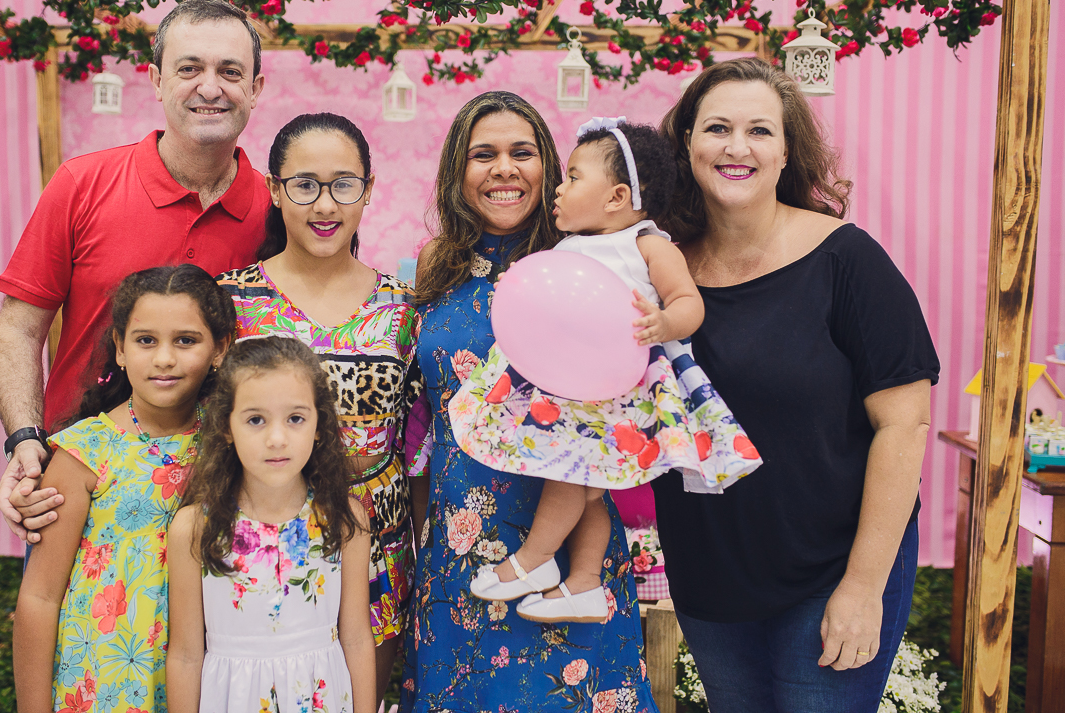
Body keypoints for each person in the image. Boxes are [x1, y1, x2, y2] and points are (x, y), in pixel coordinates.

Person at [650, 57, 939, 712]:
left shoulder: (847, 260)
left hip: (833, 570)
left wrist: (862, 586)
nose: (737, 147)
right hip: (711, 577)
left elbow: (905, 424)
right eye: (717, 128)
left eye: (759, 130)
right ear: (688, 144)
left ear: (786, 152)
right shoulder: (660, 270)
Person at [401, 91, 658, 713]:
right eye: (483, 154)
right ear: (457, 171)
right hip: (459, 542)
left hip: (567, 547)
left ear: (550, 165)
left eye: (522, 152)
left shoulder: (591, 257)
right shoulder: (435, 266)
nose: (504, 169)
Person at [448, 117, 762, 624]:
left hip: (616, 389)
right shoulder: (567, 246)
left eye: (573, 177)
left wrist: (664, 322)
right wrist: (520, 288)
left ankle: (534, 560)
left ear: (617, 197)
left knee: (568, 478)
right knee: (587, 489)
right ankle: (585, 584)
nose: (559, 188)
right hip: (569, 386)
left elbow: (689, 303)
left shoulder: (647, 244)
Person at [0, 0, 271, 544]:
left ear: (256, 88)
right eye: (189, 69)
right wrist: (26, 440)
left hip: (221, 494)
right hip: (78, 485)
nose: (210, 87)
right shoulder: (81, 184)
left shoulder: (275, 211)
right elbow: (18, 328)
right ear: (157, 80)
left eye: (230, 72)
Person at [214, 113, 423, 703]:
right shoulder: (231, 300)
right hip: (259, 540)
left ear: (368, 189)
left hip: (377, 541)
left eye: (343, 185)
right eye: (305, 185)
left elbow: (421, 442)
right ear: (276, 190)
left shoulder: (405, 309)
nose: (324, 204)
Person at [12, 264, 236, 713]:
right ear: (119, 347)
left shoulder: (229, 442)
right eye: (145, 340)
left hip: (206, 671)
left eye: (186, 341)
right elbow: (39, 596)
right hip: (104, 678)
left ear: (220, 348)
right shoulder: (85, 452)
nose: (164, 358)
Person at [165, 336, 374, 713]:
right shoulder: (195, 527)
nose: (277, 439)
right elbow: (185, 655)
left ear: (318, 425)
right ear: (226, 427)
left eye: (295, 418)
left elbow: (357, 639)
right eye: (256, 420)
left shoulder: (344, 520)